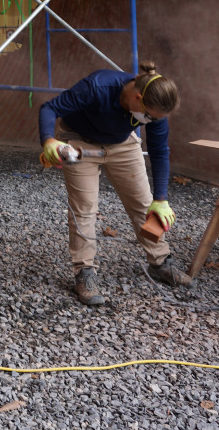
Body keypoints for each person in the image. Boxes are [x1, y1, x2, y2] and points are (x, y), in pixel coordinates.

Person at [38, 61, 190, 306]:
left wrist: (161, 199)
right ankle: (84, 272)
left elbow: (160, 150)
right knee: (84, 207)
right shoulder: (98, 86)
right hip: (80, 142)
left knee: (143, 203)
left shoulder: (155, 109)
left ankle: (160, 262)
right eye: (149, 116)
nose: (150, 121)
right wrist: (48, 141)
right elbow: (49, 108)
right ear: (138, 98)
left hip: (122, 145)